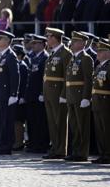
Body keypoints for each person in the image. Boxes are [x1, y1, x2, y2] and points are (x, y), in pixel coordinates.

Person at [42, 27, 72, 160]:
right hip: (49, 92)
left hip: (58, 92)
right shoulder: (53, 53)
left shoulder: (66, 53)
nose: (47, 39)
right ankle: (54, 147)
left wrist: (64, 95)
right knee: (52, 122)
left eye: (48, 37)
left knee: (59, 122)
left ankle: (61, 149)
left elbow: (67, 76)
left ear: (55, 38)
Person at [64, 31, 93, 162]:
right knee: (74, 126)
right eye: (72, 41)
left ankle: (82, 153)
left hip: (81, 97)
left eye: (75, 41)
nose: (72, 43)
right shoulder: (73, 58)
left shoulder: (86, 58)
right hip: (71, 96)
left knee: (82, 126)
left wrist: (86, 97)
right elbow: (68, 79)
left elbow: (88, 80)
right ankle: (76, 151)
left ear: (82, 43)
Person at [0, 30, 20, 155]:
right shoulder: (0, 55)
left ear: (7, 41)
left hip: (6, 95)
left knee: (6, 122)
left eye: (0, 38)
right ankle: (2, 144)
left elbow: (15, 76)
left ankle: (6, 146)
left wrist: (14, 94)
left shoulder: (10, 56)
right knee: (0, 121)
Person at [24, 35, 50, 153]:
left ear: (42, 45)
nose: (33, 45)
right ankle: (33, 143)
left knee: (40, 121)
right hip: (30, 95)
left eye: (36, 43)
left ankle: (41, 144)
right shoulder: (32, 57)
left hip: (39, 95)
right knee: (31, 121)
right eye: (32, 43)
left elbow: (45, 78)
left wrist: (42, 93)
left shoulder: (45, 58)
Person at [91, 39, 110, 164]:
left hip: (106, 101)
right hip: (97, 101)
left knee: (107, 129)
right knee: (99, 129)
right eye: (97, 51)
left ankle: (108, 154)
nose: (97, 53)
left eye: (101, 51)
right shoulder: (99, 66)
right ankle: (102, 153)